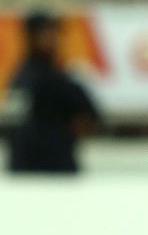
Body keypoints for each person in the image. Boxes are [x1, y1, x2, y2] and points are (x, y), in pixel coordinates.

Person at [6, 11, 100, 174]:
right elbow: (14, 126)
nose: (52, 38)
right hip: (26, 167)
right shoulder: (23, 79)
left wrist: (64, 138)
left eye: (54, 32)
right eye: (45, 33)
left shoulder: (62, 78)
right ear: (31, 36)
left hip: (59, 166)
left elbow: (89, 115)